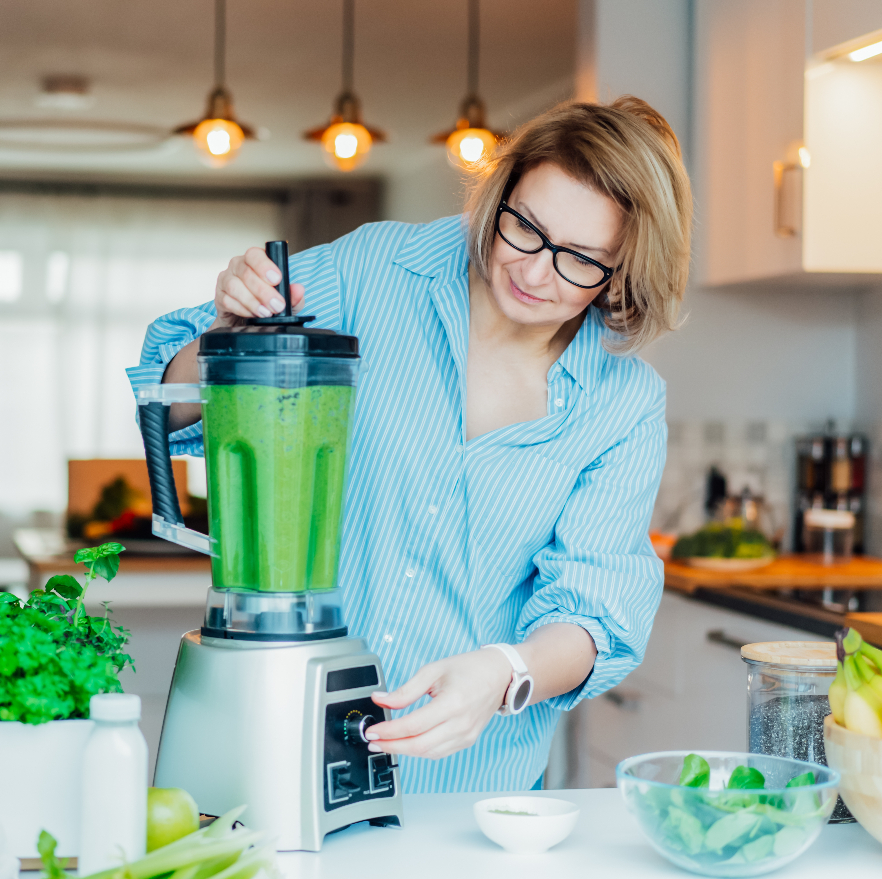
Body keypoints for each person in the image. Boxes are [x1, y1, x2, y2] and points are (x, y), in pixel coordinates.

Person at [128, 96, 692, 793]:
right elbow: (175, 403)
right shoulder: (375, 269)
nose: (536, 271)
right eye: (526, 228)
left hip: (470, 785)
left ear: (624, 270)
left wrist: (507, 673)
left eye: (580, 259)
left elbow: (593, 614)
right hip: (284, 749)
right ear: (501, 193)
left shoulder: (623, 403)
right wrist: (226, 332)